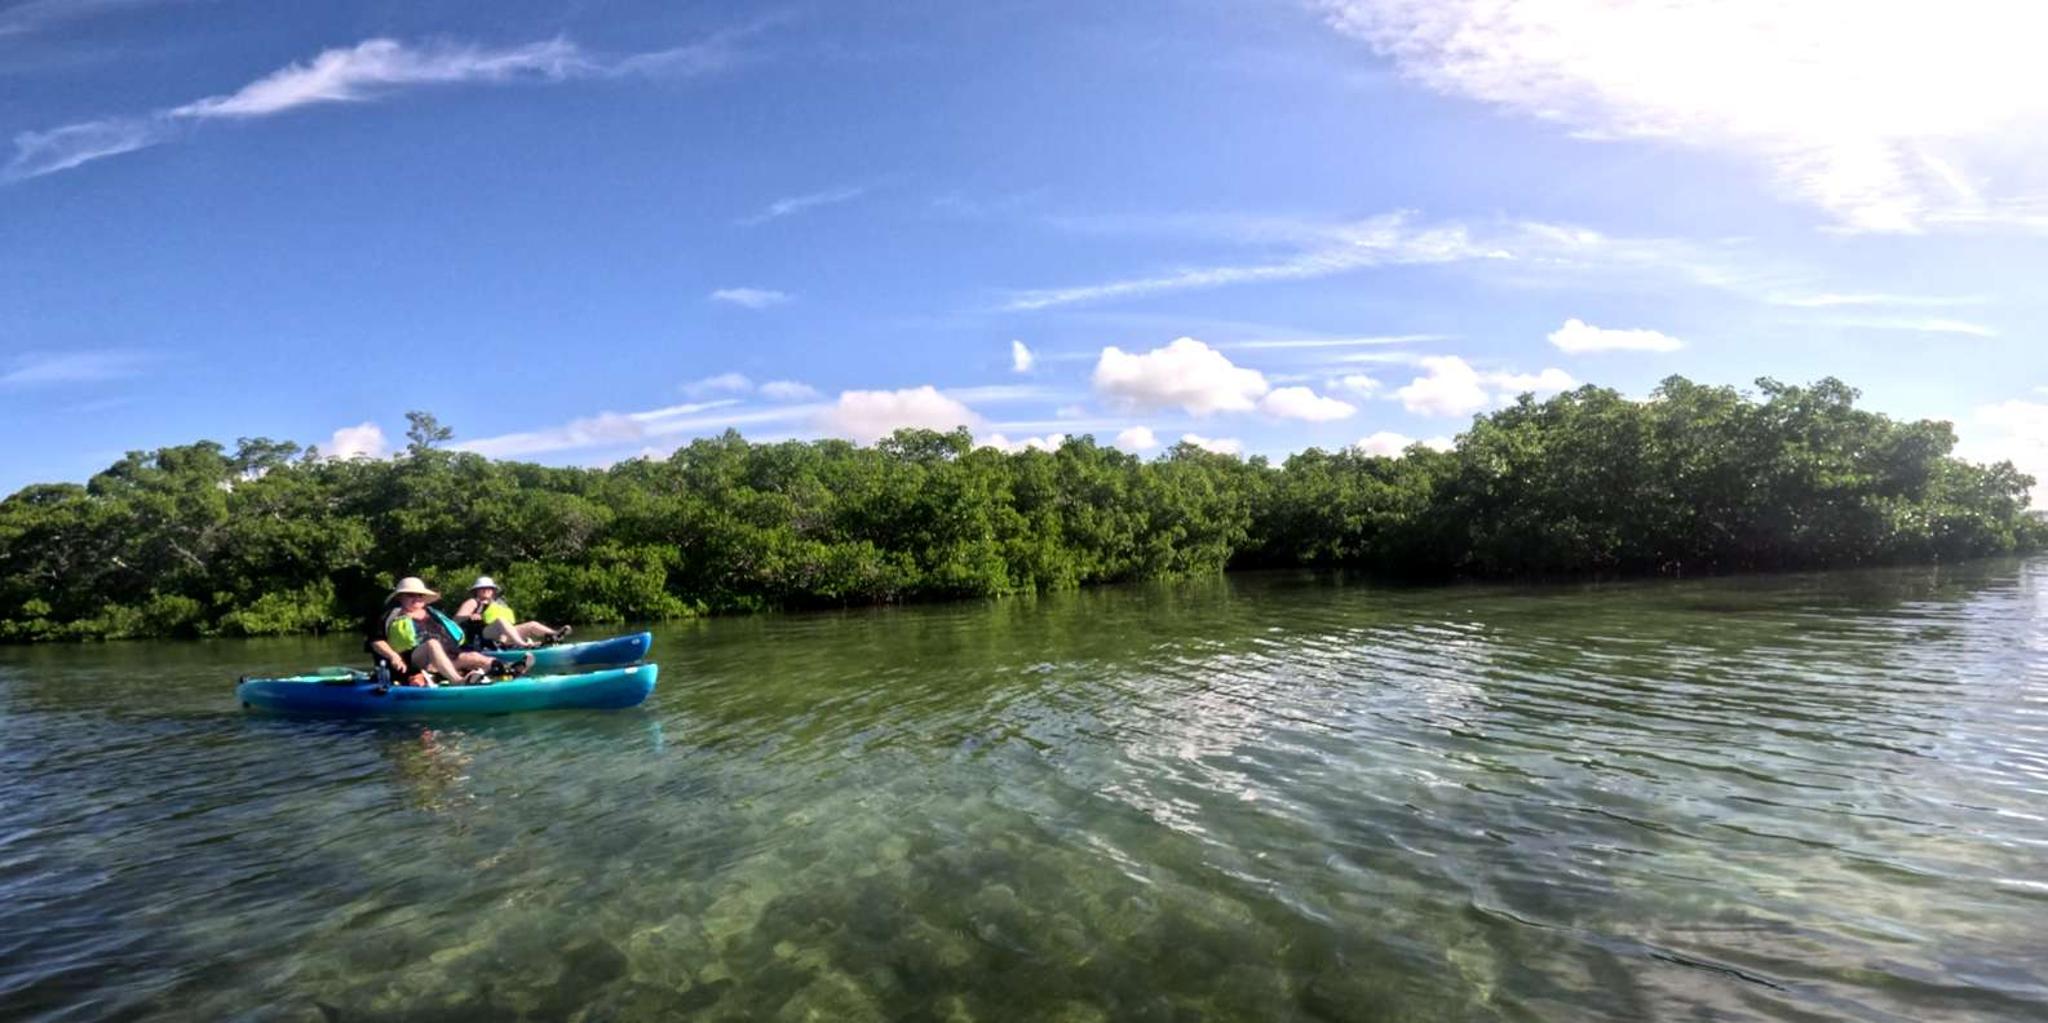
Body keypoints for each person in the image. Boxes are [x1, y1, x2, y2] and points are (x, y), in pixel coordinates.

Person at [384, 577, 496, 685]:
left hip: (445, 658)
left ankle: (495, 674)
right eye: (411, 595)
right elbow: (377, 640)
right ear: (400, 597)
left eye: (420, 595)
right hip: (417, 659)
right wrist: (393, 656)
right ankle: (457, 681)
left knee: (475, 656)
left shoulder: (432, 613)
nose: (416, 598)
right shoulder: (393, 615)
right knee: (432, 644)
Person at [453, 576, 569, 649]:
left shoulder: (498, 603)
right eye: (482, 588)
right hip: (482, 636)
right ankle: (522, 644)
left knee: (532, 624)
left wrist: (504, 638)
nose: (486, 590)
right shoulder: (473, 602)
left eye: (489, 588)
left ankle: (554, 635)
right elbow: (455, 621)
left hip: (502, 636)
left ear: (493, 590)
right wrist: (470, 616)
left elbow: (508, 624)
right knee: (500, 621)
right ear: (476, 591)